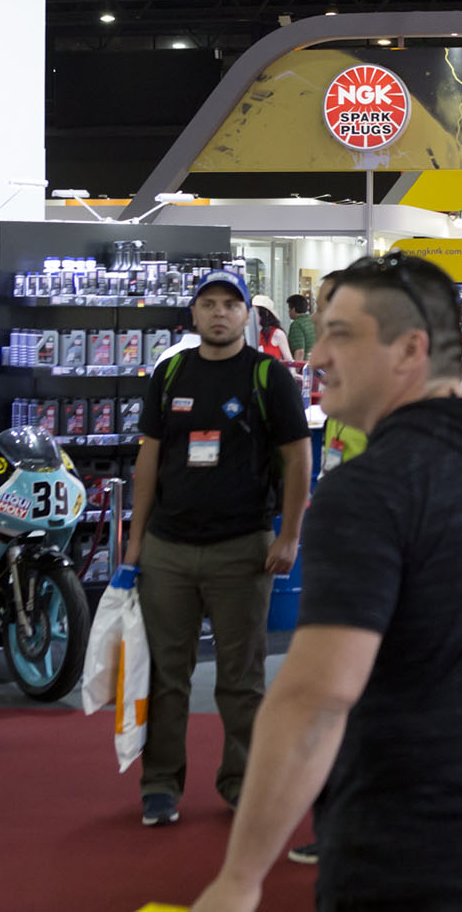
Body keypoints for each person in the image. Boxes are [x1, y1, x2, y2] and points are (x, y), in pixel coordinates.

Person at [188, 253, 462, 912]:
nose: (318, 358)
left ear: (410, 349)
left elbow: (316, 699)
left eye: (341, 334)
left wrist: (240, 876)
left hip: (402, 860)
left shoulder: (372, 489)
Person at [126, 268, 313, 827]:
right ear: (194, 313)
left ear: (245, 316)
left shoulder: (267, 377)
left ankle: (242, 783)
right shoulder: (169, 373)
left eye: (229, 305)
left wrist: (289, 533)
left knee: (242, 678)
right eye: (208, 304)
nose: (219, 313)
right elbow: (148, 460)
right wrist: (134, 546)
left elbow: (299, 457)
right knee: (166, 675)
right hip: (168, 549)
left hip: (243, 548)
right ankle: (160, 784)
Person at [252, 295, 289, 361]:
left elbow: (289, 361)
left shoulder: (277, 334)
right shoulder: (249, 333)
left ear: (265, 313)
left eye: (255, 312)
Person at [286, 294, 317, 361]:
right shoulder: (313, 321)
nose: (288, 311)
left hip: (305, 367)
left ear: (293, 309)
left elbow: (299, 351)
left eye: (289, 308)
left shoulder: (297, 324)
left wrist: (296, 369)